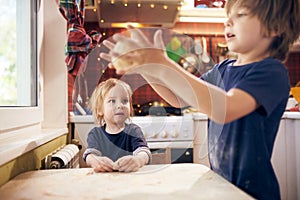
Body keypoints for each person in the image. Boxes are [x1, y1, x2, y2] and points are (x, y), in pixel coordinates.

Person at [99, 0, 300, 199]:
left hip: (254, 192)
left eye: (240, 15)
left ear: (274, 27)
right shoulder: (223, 69)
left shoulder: (271, 72)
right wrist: (145, 68)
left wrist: (161, 63)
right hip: (222, 185)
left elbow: (224, 109)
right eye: (227, 17)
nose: (228, 23)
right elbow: (178, 98)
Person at [83, 78, 151, 172]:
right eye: (112, 101)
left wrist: (138, 160)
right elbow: (90, 156)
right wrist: (96, 161)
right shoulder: (96, 134)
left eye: (125, 101)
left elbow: (144, 153)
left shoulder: (134, 131)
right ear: (100, 110)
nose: (120, 105)